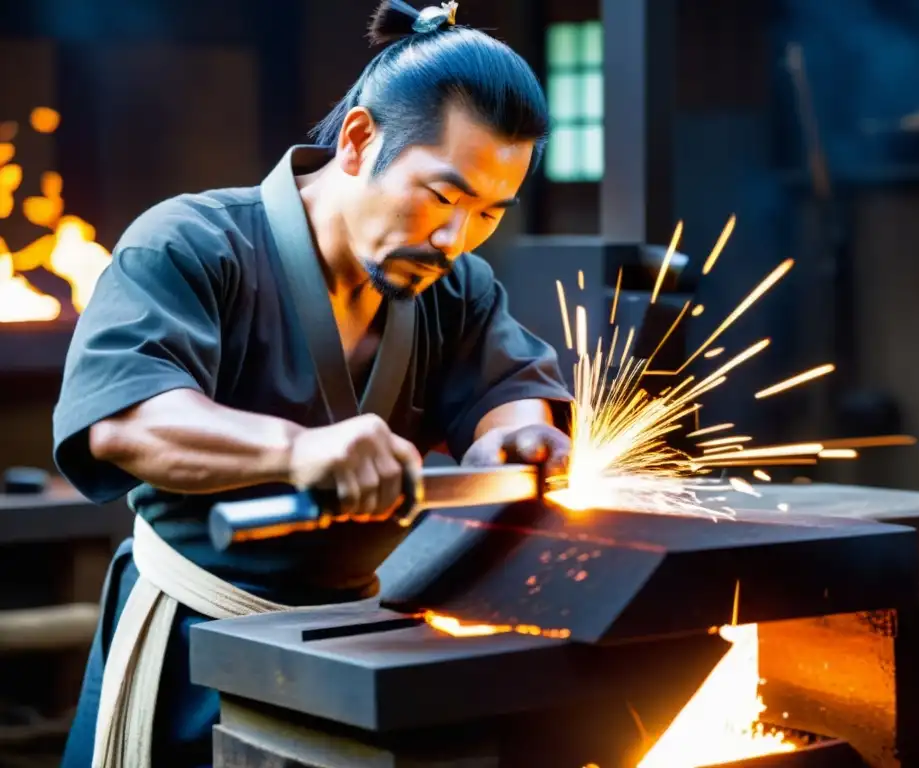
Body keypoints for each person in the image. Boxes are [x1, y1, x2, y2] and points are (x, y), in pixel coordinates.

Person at [52, 2, 572, 766]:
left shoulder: (457, 288)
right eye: (443, 196)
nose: (453, 238)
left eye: (489, 212)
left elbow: (510, 388)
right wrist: (301, 451)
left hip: (358, 656)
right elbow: (126, 419)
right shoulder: (192, 243)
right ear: (360, 141)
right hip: (193, 648)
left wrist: (518, 439)